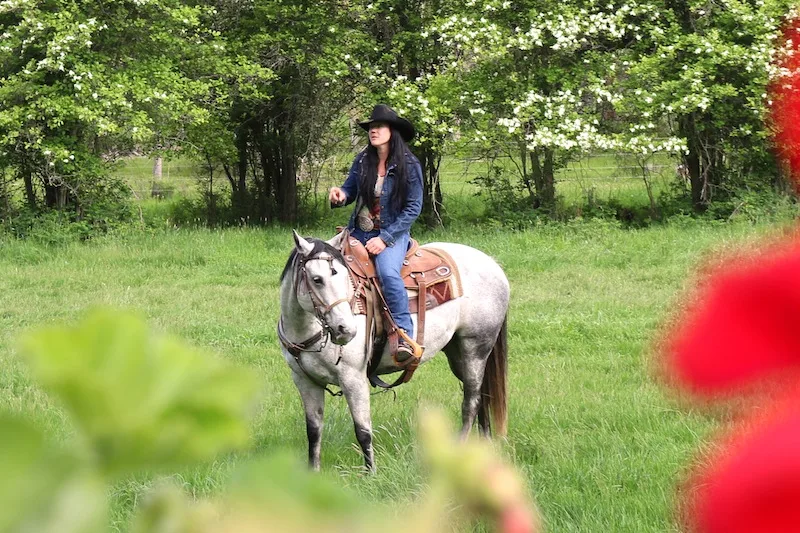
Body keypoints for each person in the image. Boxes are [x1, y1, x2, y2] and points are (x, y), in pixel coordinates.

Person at [329, 104, 423, 362]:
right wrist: (340, 195)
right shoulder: (362, 160)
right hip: (358, 231)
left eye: (379, 126)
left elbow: (414, 207)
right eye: (371, 127)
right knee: (323, 267)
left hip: (392, 233)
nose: (373, 131)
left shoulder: (409, 164)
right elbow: (350, 190)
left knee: (388, 274)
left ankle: (404, 333)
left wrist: (385, 239)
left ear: (392, 131)